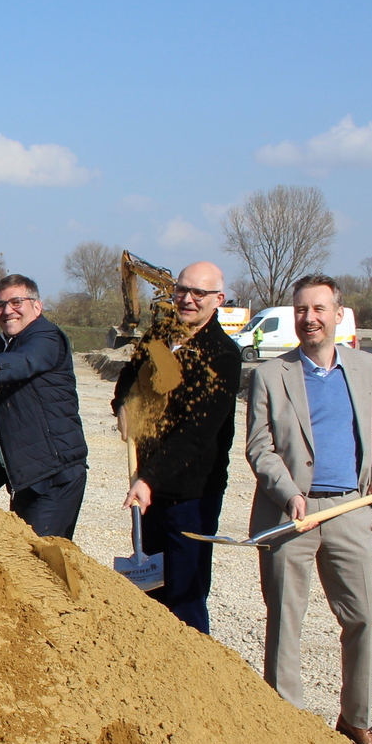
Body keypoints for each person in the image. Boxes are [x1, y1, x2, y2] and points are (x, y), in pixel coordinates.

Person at [244, 273, 372, 744]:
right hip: (290, 515)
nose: (309, 318)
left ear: (338, 314)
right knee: (285, 621)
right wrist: (289, 493)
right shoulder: (270, 374)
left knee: (363, 618)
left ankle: (355, 720)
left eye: (318, 309)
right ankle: (286, 723)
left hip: (352, 510)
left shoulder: (364, 367)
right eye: (301, 310)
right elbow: (260, 447)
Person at [111, 261, 244, 632]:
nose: (187, 299)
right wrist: (123, 404)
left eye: (198, 293)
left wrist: (148, 480)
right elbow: (128, 378)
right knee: (149, 596)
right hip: (149, 488)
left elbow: (195, 435)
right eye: (182, 290)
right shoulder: (160, 334)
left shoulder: (222, 354)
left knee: (185, 598)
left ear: (217, 300)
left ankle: (194, 679)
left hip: (190, 498)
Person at [0, 275, 88, 537]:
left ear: (37, 306)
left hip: (55, 474)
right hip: (23, 476)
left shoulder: (46, 336)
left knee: (41, 557)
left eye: (16, 302)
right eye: (0, 305)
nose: (7, 311)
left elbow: (25, 361)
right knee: (26, 558)